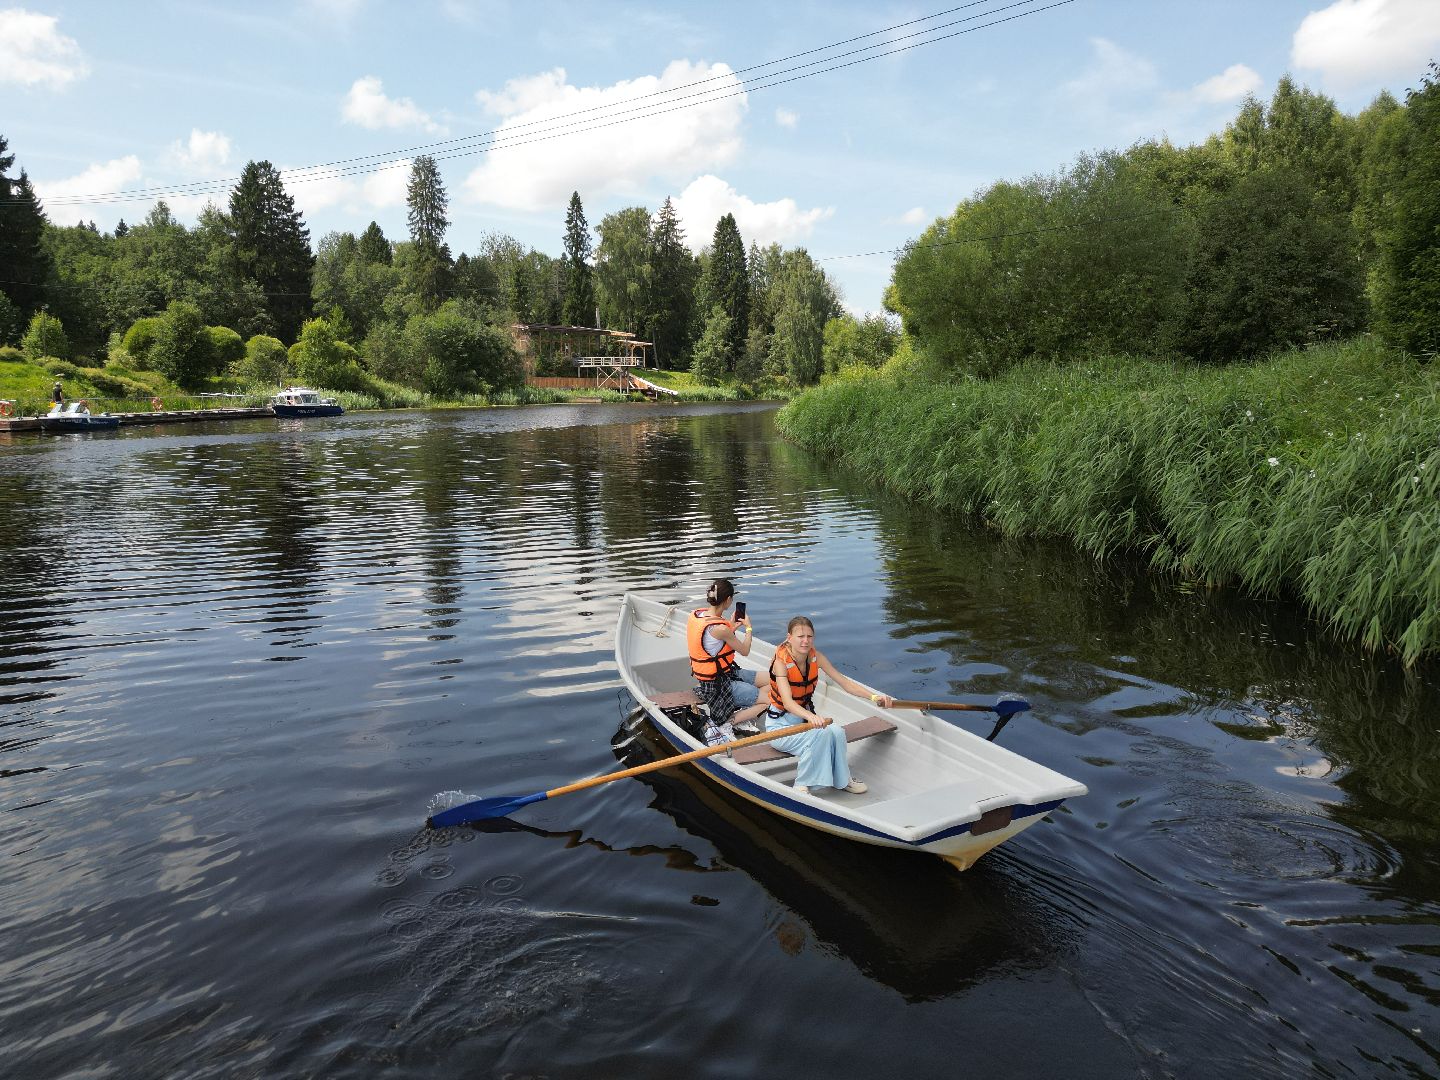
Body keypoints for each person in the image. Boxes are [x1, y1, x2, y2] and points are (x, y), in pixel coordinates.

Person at [764, 616, 894, 796]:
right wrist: (811, 717)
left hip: (803, 722)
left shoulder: (816, 657)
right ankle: (802, 783)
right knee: (820, 735)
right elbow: (787, 702)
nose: (805, 641)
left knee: (837, 732)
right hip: (781, 726)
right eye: (800, 636)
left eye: (809, 636)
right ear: (789, 638)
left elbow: (844, 683)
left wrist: (873, 697)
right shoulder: (780, 663)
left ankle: (843, 779)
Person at [688, 579, 768, 745]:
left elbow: (713, 640)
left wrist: (731, 625)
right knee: (772, 698)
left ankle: (744, 708)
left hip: (724, 673)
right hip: (717, 685)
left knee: (773, 679)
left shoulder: (698, 615)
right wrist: (748, 628)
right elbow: (745, 651)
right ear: (728, 600)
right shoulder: (721, 628)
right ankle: (729, 722)